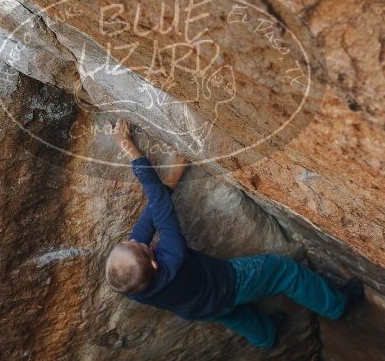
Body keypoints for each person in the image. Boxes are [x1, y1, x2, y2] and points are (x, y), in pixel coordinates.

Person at [105, 119, 364, 348]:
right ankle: (337, 306)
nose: (133, 239)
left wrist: (174, 175)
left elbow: (147, 225)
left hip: (199, 308)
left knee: (238, 317)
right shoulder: (174, 253)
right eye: (137, 244)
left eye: (127, 241)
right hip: (230, 283)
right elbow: (159, 206)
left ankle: (267, 338)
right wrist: (129, 148)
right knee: (284, 271)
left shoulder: (131, 285)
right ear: (153, 261)